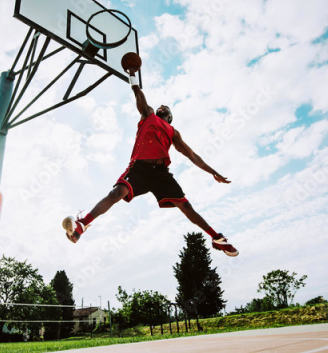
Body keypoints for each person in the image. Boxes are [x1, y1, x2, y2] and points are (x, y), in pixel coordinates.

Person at [63, 61, 238, 257]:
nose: (162, 106)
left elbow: (192, 155)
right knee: (117, 193)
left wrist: (213, 172)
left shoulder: (173, 132)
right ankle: (82, 225)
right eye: (161, 106)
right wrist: (132, 74)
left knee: (186, 206)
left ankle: (217, 238)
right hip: (140, 169)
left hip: (161, 174)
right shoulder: (149, 115)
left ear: (169, 117)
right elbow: (138, 94)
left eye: (166, 107)